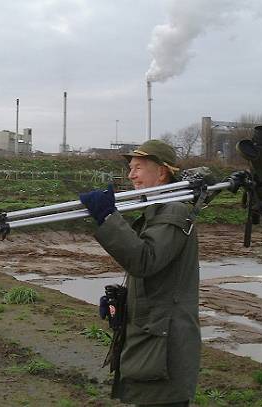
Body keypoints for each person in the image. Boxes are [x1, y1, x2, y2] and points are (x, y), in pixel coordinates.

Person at [80, 139, 200, 407]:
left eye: (138, 168)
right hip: (152, 334)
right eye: (130, 168)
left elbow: (145, 260)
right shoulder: (154, 210)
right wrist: (126, 302)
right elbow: (153, 276)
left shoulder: (176, 211)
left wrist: (108, 218)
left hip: (165, 341)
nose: (131, 174)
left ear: (162, 172)